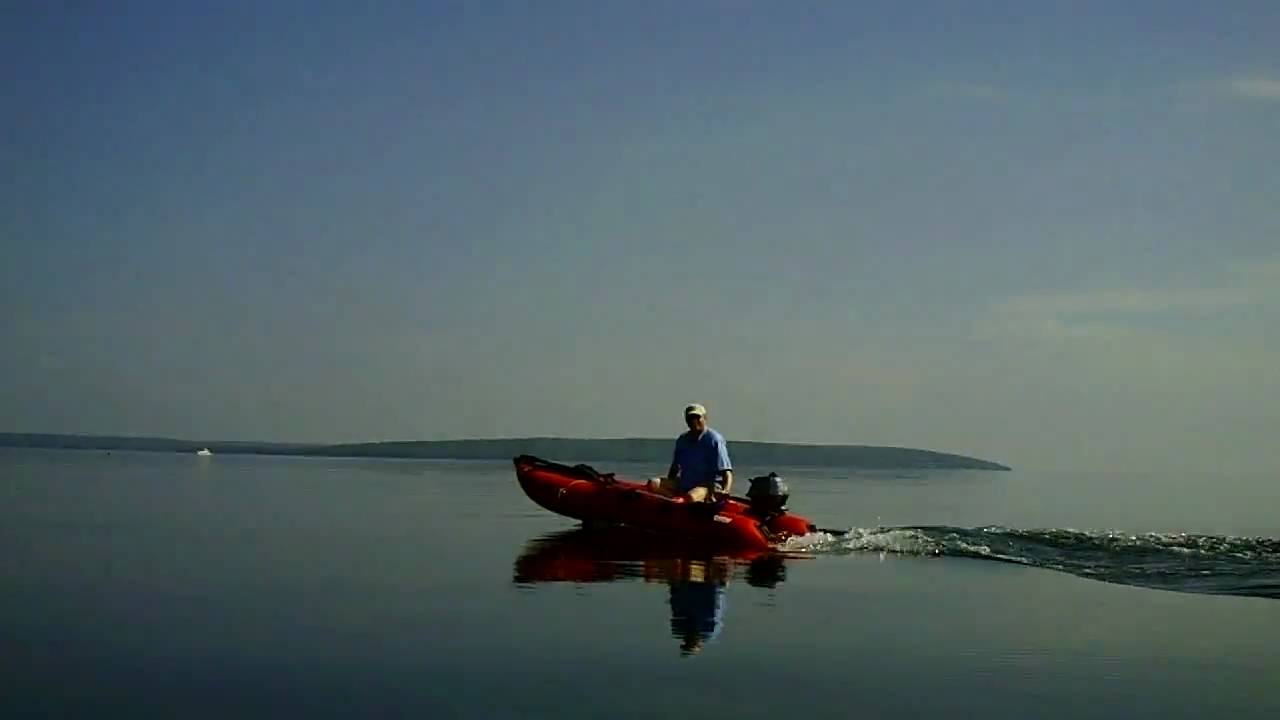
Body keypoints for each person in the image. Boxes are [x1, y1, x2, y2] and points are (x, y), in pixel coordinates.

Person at [647, 403, 733, 502]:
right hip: (686, 483)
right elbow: (674, 468)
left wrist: (726, 491)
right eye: (691, 418)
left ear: (705, 418)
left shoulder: (714, 440)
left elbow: (727, 472)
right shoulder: (683, 440)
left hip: (707, 486)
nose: (694, 421)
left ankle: (686, 502)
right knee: (653, 483)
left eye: (697, 418)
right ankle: (673, 502)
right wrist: (669, 484)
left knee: (691, 496)